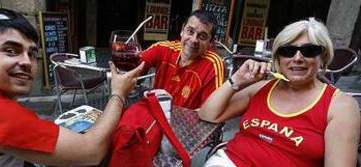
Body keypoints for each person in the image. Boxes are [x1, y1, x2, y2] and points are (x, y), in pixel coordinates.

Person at [0, 8, 145, 166]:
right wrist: (118, 93)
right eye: (10, 50)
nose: (26, 62)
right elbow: (91, 151)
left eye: (31, 54)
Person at [200, 18, 360, 166]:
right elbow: (208, 114)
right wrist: (236, 80)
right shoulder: (262, 88)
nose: (297, 57)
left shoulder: (340, 106)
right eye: (288, 51)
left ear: (323, 58)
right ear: (277, 59)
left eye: (309, 50)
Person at [140, 10, 224, 109]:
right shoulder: (164, 49)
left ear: (210, 42)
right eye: (190, 31)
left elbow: (211, 110)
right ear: (182, 30)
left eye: (202, 36)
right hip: (155, 116)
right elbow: (133, 69)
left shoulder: (213, 64)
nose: (193, 40)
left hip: (188, 123)